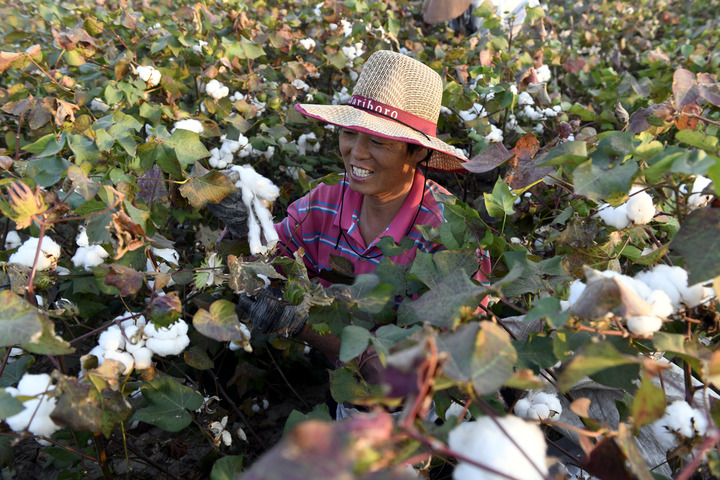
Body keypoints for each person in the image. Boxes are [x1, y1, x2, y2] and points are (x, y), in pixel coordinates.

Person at [210, 50, 491, 387]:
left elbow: (423, 372)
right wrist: (246, 228)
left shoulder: (452, 238)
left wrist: (303, 327)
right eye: (349, 133)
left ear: (418, 152)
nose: (357, 152)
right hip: (341, 386)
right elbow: (272, 261)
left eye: (378, 140)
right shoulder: (327, 201)